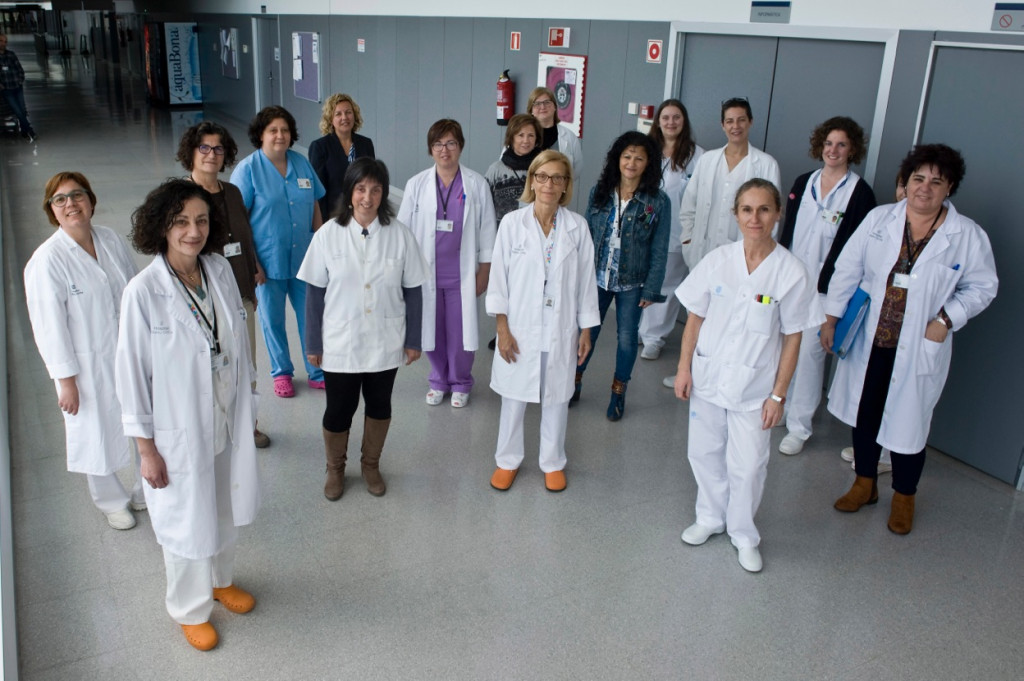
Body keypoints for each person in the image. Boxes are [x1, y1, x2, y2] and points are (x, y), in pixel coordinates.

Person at [115, 179, 261, 651]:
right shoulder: (143, 292)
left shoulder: (217, 269)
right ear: (161, 227)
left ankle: (220, 580)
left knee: (221, 506)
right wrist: (145, 450)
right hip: (177, 431)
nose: (192, 231)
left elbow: (233, 337)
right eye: (180, 222)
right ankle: (189, 608)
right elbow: (131, 375)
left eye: (200, 220)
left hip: (222, 417)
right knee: (184, 521)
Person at [823, 144, 997, 535]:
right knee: (865, 413)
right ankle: (864, 483)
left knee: (909, 424)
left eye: (937, 181)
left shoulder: (966, 235)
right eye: (918, 178)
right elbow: (847, 269)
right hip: (871, 338)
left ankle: (904, 495)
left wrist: (947, 319)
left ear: (949, 186)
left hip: (919, 344)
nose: (925, 188)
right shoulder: (879, 219)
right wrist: (831, 318)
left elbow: (983, 287)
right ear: (906, 182)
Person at [674, 179, 823, 573]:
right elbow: (695, 318)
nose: (754, 218)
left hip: (756, 386)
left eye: (763, 210)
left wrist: (778, 395)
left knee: (750, 464)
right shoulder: (718, 260)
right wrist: (684, 367)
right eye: (746, 210)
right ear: (735, 214)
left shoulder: (791, 272)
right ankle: (710, 517)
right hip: (708, 374)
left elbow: (793, 338)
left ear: (777, 214)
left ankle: (743, 533)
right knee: (703, 452)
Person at [299, 158, 427, 500]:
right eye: (360, 189)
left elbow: (413, 290)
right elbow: (314, 293)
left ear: (384, 194)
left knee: (380, 405)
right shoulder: (328, 235)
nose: (367, 198)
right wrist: (313, 342)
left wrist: (414, 339)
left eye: (375, 189)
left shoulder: (400, 235)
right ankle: (335, 469)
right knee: (338, 408)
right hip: (339, 341)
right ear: (349, 192)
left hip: (386, 340)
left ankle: (371, 464)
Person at [24, 172, 143, 530]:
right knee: (95, 430)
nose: (70, 204)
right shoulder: (47, 260)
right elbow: (49, 327)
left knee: (140, 418)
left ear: (91, 201)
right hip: (85, 364)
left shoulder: (108, 239)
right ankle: (110, 501)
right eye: (60, 200)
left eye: (77, 195)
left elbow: (134, 290)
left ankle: (143, 488)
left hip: (128, 352)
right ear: (52, 211)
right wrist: (66, 381)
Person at [487, 150, 600, 493]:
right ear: (532, 180)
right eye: (542, 176)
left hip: (561, 325)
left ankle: (552, 462)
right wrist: (502, 328)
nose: (549, 184)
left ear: (566, 185)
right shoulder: (512, 224)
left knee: (556, 396)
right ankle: (507, 460)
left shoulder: (577, 227)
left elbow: (586, 282)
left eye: (557, 178)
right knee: (514, 397)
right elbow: (498, 281)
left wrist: (586, 329)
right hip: (520, 325)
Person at [775, 117, 878, 456]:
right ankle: (779, 405)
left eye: (841, 144)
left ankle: (799, 426)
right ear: (820, 145)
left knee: (808, 357)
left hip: (826, 292)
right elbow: (787, 232)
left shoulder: (860, 193)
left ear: (852, 150)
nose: (833, 150)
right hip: (791, 282)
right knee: (779, 348)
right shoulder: (804, 182)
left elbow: (859, 253)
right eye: (828, 143)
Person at [663, 97, 781, 388]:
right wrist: (689, 240)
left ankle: (727, 379)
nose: (735, 126)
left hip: (745, 259)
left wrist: (761, 258)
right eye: (729, 121)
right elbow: (688, 205)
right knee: (697, 315)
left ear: (750, 122)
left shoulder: (765, 164)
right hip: (702, 253)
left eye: (741, 120)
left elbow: (773, 215)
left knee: (734, 319)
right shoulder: (708, 159)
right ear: (722, 124)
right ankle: (688, 372)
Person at [177, 121, 271, 449]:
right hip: (202, 299)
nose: (211, 154)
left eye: (218, 148)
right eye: (204, 147)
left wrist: (253, 270)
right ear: (191, 152)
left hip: (240, 292)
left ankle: (249, 424)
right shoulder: (181, 197)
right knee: (214, 367)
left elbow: (244, 237)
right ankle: (216, 428)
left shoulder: (232, 192)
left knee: (247, 362)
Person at [399, 119, 497, 408]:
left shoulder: (476, 184)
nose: (445, 150)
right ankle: (438, 380)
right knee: (432, 328)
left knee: (460, 332)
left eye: (451, 143)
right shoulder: (416, 184)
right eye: (438, 144)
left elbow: (489, 229)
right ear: (431, 149)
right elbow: (403, 230)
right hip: (426, 272)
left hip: (462, 274)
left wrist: (485, 270)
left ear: (461, 147)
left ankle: (461, 381)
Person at [230, 105, 326, 398]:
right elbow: (239, 221)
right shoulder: (248, 170)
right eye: (273, 130)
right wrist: (252, 264)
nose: (280, 135)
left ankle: (317, 369)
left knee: (310, 316)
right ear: (261, 135)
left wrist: (322, 247)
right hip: (267, 262)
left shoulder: (301, 163)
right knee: (272, 320)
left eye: (284, 130)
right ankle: (281, 372)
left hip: (304, 258)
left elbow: (316, 205)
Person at [575, 131, 670, 421]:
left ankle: (618, 391)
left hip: (633, 281)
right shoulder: (599, 192)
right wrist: (578, 278)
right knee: (586, 332)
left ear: (648, 164)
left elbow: (659, 247)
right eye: (627, 156)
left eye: (639, 158)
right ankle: (574, 381)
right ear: (617, 159)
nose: (631, 162)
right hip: (597, 278)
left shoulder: (658, 201)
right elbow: (587, 237)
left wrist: (652, 288)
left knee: (627, 339)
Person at [638, 99, 705, 361]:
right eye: (666, 117)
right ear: (658, 122)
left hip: (677, 232)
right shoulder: (647, 150)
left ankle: (655, 337)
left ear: (684, 122)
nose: (671, 122)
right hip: (644, 228)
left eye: (676, 117)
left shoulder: (697, 155)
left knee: (665, 285)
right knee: (641, 279)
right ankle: (641, 329)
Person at [308, 93, 375, 218]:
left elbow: (372, 181)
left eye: (348, 112)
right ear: (330, 120)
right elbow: (318, 193)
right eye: (338, 114)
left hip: (362, 213)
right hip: (334, 216)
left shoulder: (366, 144)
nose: (344, 117)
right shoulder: (319, 147)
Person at [485, 113, 542, 225]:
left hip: (535, 232)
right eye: (520, 135)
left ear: (536, 139)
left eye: (531, 135)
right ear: (511, 138)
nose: (526, 140)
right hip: (502, 233)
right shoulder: (496, 170)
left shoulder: (542, 169)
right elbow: (483, 204)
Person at [527, 86, 582, 179]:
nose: (543, 107)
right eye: (537, 104)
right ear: (531, 110)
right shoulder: (520, 134)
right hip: (526, 190)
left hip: (557, 190)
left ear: (555, 107)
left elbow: (577, 169)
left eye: (547, 102)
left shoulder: (569, 137)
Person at [0, 33, 35, 141]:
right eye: (2, 41)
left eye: (5, 41)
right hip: (6, 89)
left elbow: (19, 68)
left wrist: (20, 80)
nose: (4, 44)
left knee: (23, 110)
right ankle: (30, 131)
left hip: (17, 86)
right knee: (17, 110)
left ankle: (24, 131)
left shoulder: (11, 55)